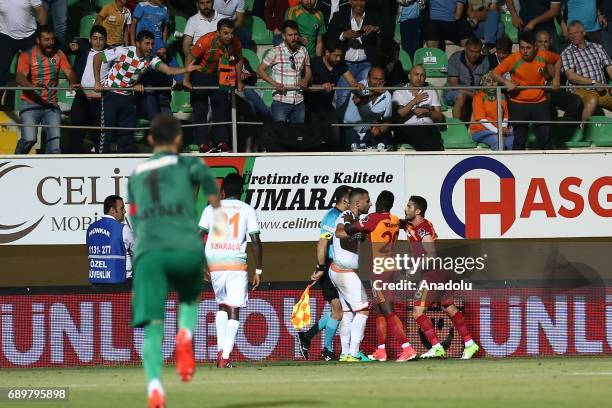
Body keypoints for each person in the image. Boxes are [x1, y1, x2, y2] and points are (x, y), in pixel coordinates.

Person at [128, 113, 225, 408]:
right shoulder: (193, 164)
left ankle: (155, 387)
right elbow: (213, 199)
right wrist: (216, 228)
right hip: (185, 245)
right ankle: (185, 335)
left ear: (149, 139)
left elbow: (134, 217)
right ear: (180, 139)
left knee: (153, 326)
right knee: (188, 299)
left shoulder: (137, 174)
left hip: (149, 251)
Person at [94, 29, 198, 153]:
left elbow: (168, 70)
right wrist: (97, 82)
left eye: (152, 44)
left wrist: (186, 69)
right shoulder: (123, 51)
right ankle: (102, 157)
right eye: (147, 43)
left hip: (128, 96)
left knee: (127, 132)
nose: (150, 47)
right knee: (107, 131)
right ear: (138, 43)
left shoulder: (151, 59)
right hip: (111, 94)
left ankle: (124, 160)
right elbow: (97, 57)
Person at [403, 195, 480, 360]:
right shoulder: (412, 226)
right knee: (449, 307)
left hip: (432, 275)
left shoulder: (423, 228)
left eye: (409, 207)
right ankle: (469, 343)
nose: (405, 209)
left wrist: (414, 268)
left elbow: (431, 254)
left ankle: (437, 347)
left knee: (417, 312)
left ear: (418, 211)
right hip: (441, 273)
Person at [344, 191, 417, 362]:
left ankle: (407, 348)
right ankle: (381, 351)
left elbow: (349, 229)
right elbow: (406, 226)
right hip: (390, 266)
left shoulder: (373, 218)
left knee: (388, 311)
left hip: (379, 269)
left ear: (378, 203)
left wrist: (349, 222)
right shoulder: (395, 220)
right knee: (379, 312)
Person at [199, 173, 263, 368]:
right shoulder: (247, 209)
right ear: (242, 191)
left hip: (215, 262)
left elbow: (198, 236)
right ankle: (224, 357)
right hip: (235, 262)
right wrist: (258, 270)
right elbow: (256, 242)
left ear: (223, 191)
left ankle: (220, 351)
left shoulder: (210, 209)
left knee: (221, 305)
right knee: (233, 310)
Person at [296, 185, 351, 361]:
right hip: (329, 267)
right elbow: (322, 243)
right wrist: (321, 268)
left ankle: (307, 337)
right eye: (352, 197)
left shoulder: (343, 217)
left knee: (338, 311)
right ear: (345, 200)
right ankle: (327, 350)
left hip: (338, 267)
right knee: (338, 311)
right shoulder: (332, 217)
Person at [14, 25, 78, 154]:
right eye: (46, 40)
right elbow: (20, 77)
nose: (50, 43)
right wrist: (32, 86)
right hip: (30, 103)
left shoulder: (59, 54)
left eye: (52, 39)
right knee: (29, 139)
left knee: (55, 148)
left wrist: (73, 82)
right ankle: (16, 158)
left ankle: (51, 172)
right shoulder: (27, 55)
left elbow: (69, 71)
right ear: (38, 40)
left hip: (51, 104)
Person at [492, 31, 561, 150]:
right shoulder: (513, 59)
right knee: (519, 140)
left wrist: (556, 78)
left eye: (528, 48)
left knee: (545, 140)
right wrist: (506, 82)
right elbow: (495, 73)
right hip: (519, 103)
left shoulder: (543, 55)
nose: (525, 51)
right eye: (522, 48)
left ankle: (549, 166)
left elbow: (558, 59)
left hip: (540, 102)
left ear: (535, 47)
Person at [184, 18, 244, 152]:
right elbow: (190, 58)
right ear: (218, 33)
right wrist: (186, 80)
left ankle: (222, 143)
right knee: (200, 110)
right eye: (226, 33)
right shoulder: (206, 40)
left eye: (232, 33)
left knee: (221, 109)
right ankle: (202, 144)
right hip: (200, 75)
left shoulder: (236, 43)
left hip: (220, 76)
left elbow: (239, 59)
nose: (230, 37)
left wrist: (239, 80)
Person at [331, 187, 372, 362]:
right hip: (344, 272)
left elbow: (353, 236)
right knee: (363, 309)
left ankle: (345, 353)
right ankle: (354, 353)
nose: (370, 203)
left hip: (338, 270)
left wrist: (359, 235)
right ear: (357, 203)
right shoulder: (346, 216)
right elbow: (339, 232)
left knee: (348, 313)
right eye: (367, 201)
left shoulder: (354, 219)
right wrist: (352, 230)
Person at [326, 0, 391, 108]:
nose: (359, 3)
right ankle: (342, 124)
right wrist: (343, 35)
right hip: (345, 65)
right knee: (342, 96)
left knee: (365, 94)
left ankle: (361, 123)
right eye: (355, 0)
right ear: (350, 1)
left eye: (362, 0)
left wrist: (376, 29)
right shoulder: (339, 15)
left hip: (366, 63)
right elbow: (329, 37)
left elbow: (389, 33)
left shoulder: (374, 16)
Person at [306, 38, 362, 149]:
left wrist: (359, 86)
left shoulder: (340, 64)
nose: (338, 58)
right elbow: (306, 87)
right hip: (311, 107)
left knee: (335, 136)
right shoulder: (314, 63)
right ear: (327, 52)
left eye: (340, 55)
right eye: (336, 55)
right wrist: (321, 87)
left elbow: (352, 81)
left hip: (327, 106)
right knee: (315, 138)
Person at [65, 25, 110, 153]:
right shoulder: (83, 49)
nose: (98, 42)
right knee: (76, 136)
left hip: (100, 100)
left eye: (101, 39)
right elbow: (62, 49)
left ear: (105, 41)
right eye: (95, 38)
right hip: (81, 98)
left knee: (98, 137)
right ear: (90, 40)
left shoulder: (110, 54)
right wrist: (72, 45)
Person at [257, 20, 312, 123]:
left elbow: (308, 71)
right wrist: (274, 84)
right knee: (280, 135)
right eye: (290, 35)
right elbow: (260, 70)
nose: (293, 38)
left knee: (297, 136)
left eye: (296, 34)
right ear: (283, 36)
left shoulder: (303, 50)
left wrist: (305, 79)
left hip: (299, 101)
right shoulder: (275, 51)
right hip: (280, 101)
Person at [561, 20, 612, 122]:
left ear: (584, 32)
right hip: (579, 90)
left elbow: (610, 68)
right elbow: (571, 76)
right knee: (592, 100)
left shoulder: (598, 48)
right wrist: (593, 83)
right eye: (570, 34)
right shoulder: (567, 52)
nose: (573, 36)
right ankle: (584, 132)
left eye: (576, 33)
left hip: (601, 89)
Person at [535, 29, 584, 125]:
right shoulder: (530, 56)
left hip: (553, 92)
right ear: (535, 43)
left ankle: (565, 127)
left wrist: (545, 57)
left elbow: (553, 75)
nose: (543, 45)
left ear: (550, 42)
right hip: (536, 92)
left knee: (576, 101)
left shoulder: (556, 56)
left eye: (545, 42)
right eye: (540, 42)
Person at [392, 64, 445, 151]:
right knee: (424, 137)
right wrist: (414, 101)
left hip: (429, 128)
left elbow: (440, 117)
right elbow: (398, 115)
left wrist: (427, 112)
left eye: (422, 75)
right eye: (416, 74)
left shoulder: (430, 91)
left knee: (432, 134)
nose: (419, 78)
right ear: (409, 76)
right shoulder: (399, 92)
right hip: (409, 128)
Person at [86, 194, 134, 284]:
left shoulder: (90, 228)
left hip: (96, 284)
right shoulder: (122, 228)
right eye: (122, 208)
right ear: (112, 210)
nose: (124, 211)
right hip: (121, 283)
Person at [342, 66, 392, 150]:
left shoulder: (387, 95)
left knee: (384, 147)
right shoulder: (360, 86)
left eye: (381, 80)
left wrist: (380, 130)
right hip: (350, 129)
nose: (378, 82)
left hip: (369, 131)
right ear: (368, 79)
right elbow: (357, 101)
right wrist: (375, 94)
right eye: (375, 79)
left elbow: (387, 121)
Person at [0, 0, 47, 89]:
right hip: (6, 35)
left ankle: (40, 95)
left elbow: (41, 10)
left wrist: (43, 31)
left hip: (29, 35)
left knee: (36, 67)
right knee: (1, 69)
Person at [443, 37, 490, 123]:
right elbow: (454, 85)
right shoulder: (455, 59)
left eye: (477, 52)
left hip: (476, 94)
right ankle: (457, 128)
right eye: (471, 51)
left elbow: (486, 82)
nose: (474, 55)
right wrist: (471, 94)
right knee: (461, 96)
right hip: (453, 92)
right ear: (465, 49)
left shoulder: (485, 61)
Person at [138, 42, 183, 120]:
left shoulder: (171, 60)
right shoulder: (148, 60)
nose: (163, 56)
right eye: (160, 54)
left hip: (164, 94)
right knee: (154, 117)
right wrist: (138, 84)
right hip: (149, 93)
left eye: (165, 53)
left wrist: (179, 83)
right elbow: (138, 75)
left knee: (168, 121)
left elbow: (179, 75)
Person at [470, 71, 513, 150]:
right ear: (483, 83)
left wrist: (503, 128)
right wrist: (498, 131)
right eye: (488, 82)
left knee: (513, 141)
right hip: (480, 130)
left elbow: (505, 116)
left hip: (499, 130)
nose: (492, 84)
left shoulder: (501, 96)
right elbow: (481, 119)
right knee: (498, 141)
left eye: (494, 82)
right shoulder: (478, 97)